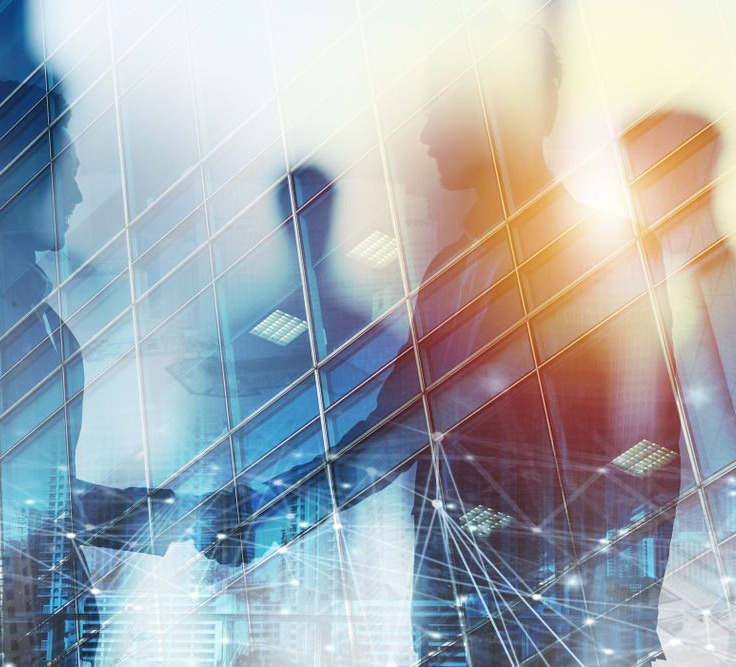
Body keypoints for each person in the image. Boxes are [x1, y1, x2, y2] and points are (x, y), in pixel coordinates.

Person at [257, 27, 686, 666]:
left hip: (558, 622)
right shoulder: (450, 271)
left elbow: (648, 449)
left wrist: (627, 617)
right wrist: (268, 508)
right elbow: (394, 429)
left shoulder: (608, 258)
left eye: (441, 110)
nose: (426, 134)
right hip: (457, 614)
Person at [0, 81, 238, 667]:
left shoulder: (40, 327)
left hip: (19, 632)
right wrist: (181, 518)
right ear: (18, 174)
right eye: (64, 169)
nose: (75, 193)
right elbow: (3, 500)